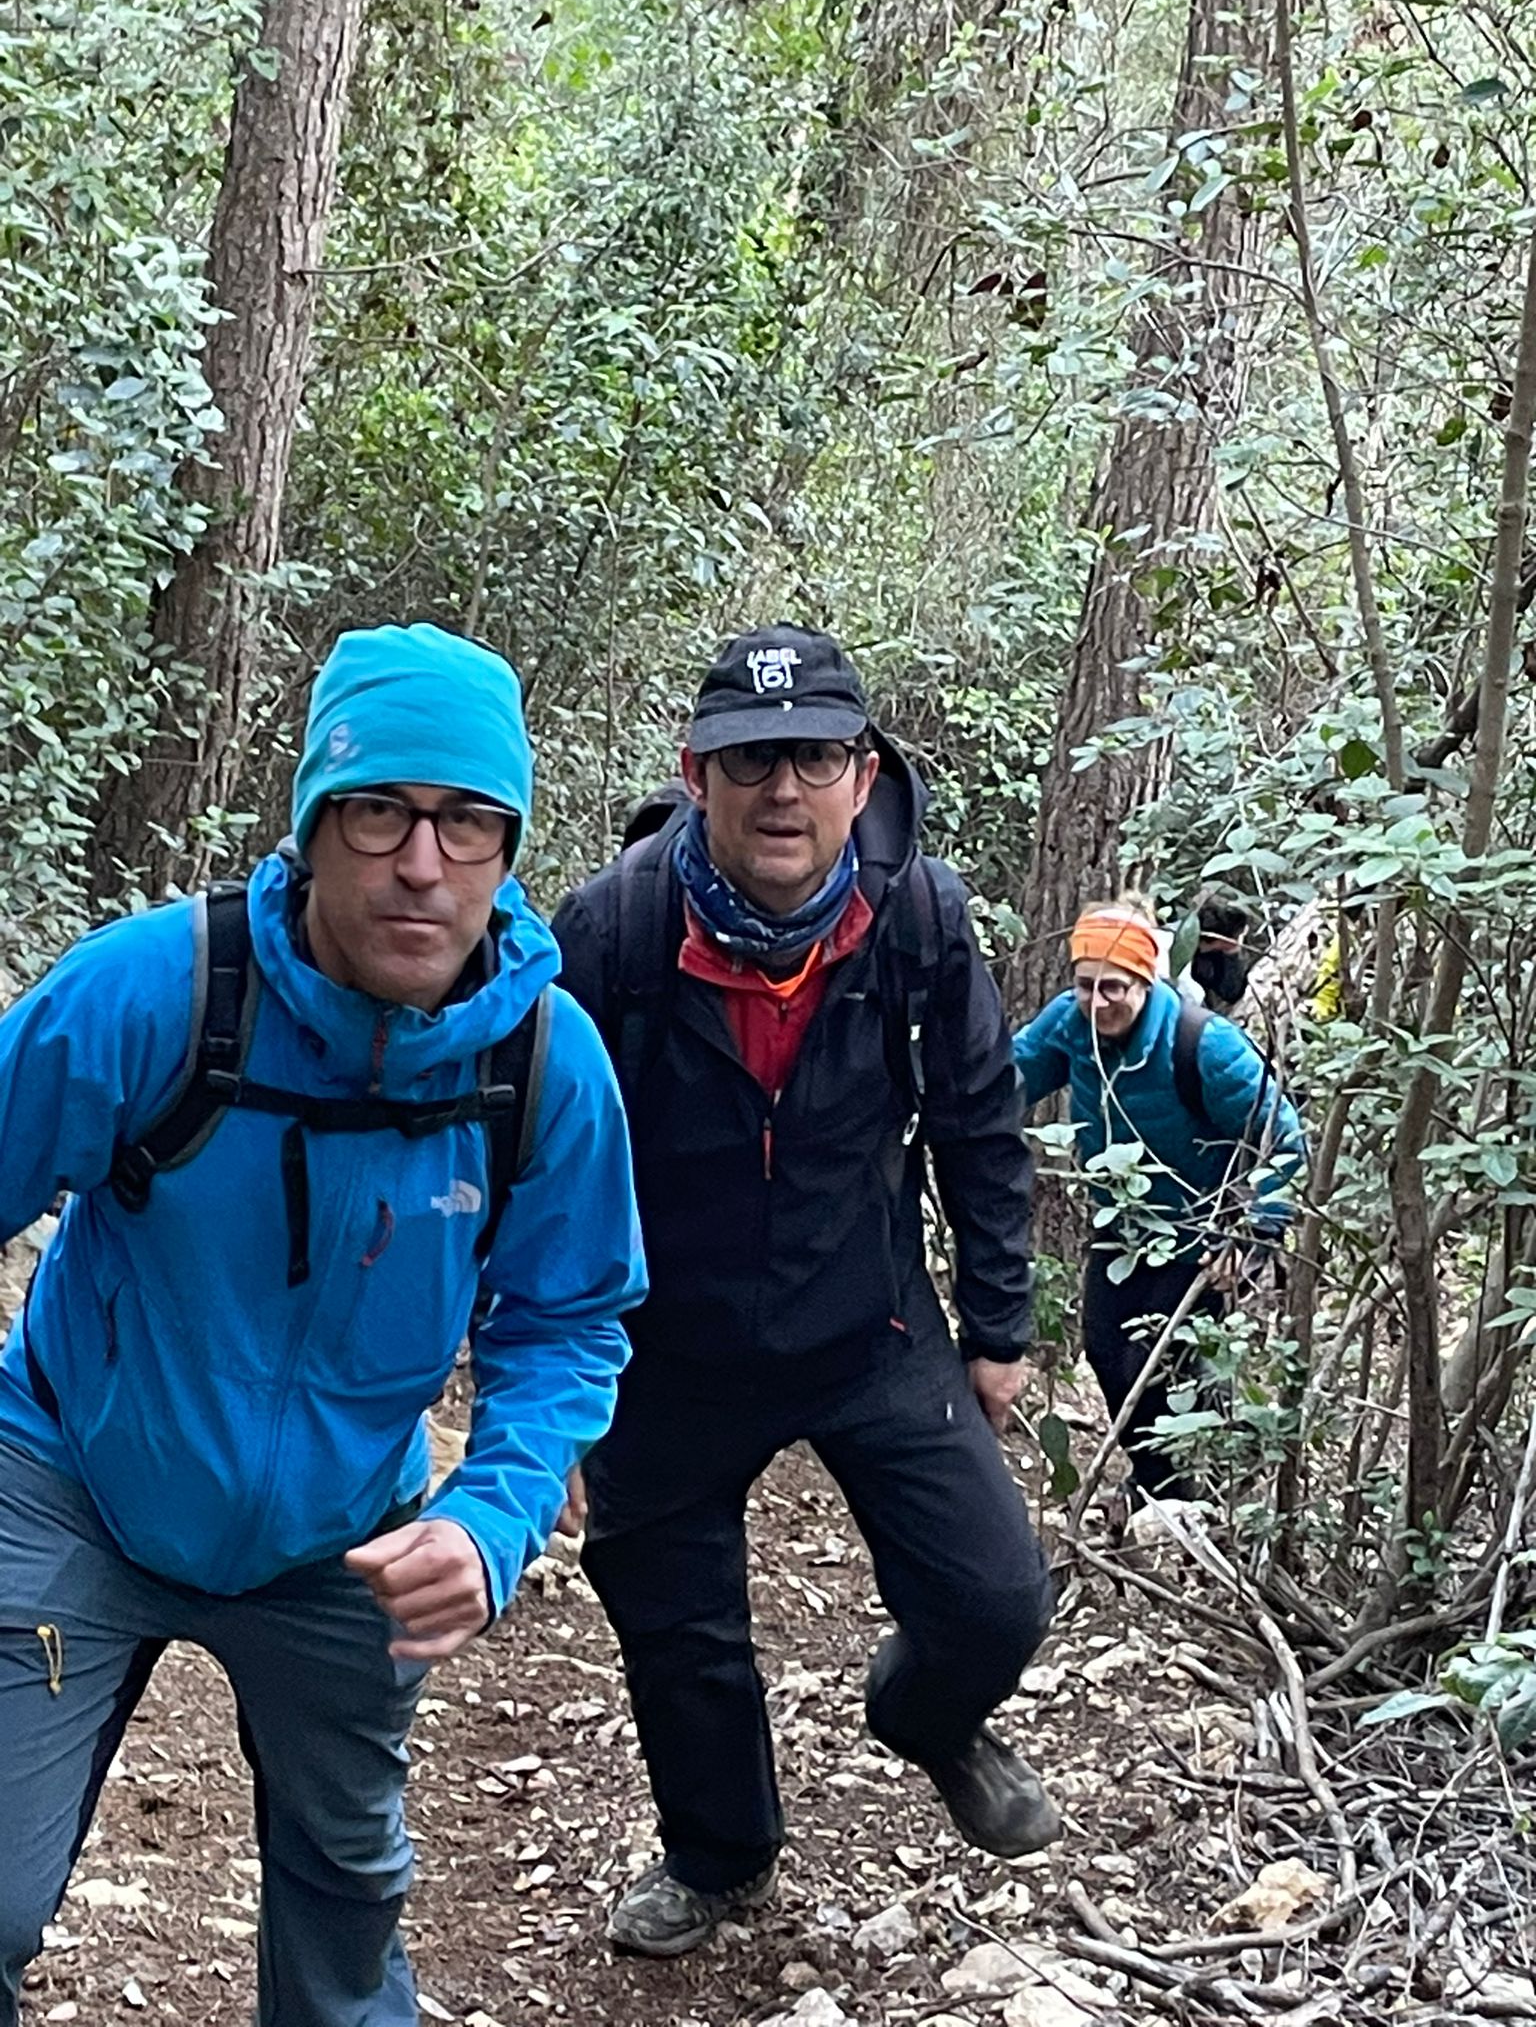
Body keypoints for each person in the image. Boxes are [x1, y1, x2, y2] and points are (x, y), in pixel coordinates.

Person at [0, 623, 646, 2026]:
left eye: (468, 821)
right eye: (379, 812)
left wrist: (493, 1517)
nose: (422, 862)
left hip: (345, 1539)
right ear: (311, 826)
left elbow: (569, 1318)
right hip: (73, 1479)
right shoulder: (156, 994)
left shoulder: (545, 1064)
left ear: (510, 847)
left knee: (347, 1931)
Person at [552, 624, 1058, 1959]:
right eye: (751, 758)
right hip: (667, 1340)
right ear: (696, 773)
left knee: (997, 1599)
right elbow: (540, 1162)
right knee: (676, 1627)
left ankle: (929, 1718)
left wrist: (998, 1325)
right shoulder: (612, 932)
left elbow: (979, 1119)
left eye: (816, 757)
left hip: (867, 1320)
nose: (785, 788)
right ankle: (719, 1857)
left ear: (862, 773)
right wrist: (543, 1386)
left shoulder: (919, 919)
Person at [1013, 904, 1304, 1500]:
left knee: (1155, 1364)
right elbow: (1003, 1080)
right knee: (1104, 1352)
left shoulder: (1205, 1044)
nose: (1098, 1003)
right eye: (1086, 985)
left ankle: (1196, 1492)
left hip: (1203, 1236)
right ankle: (1162, 1487)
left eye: (1113, 988)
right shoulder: (1070, 1023)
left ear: (1145, 982)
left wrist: (1255, 1235)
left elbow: (1285, 1141)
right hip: (1121, 1227)